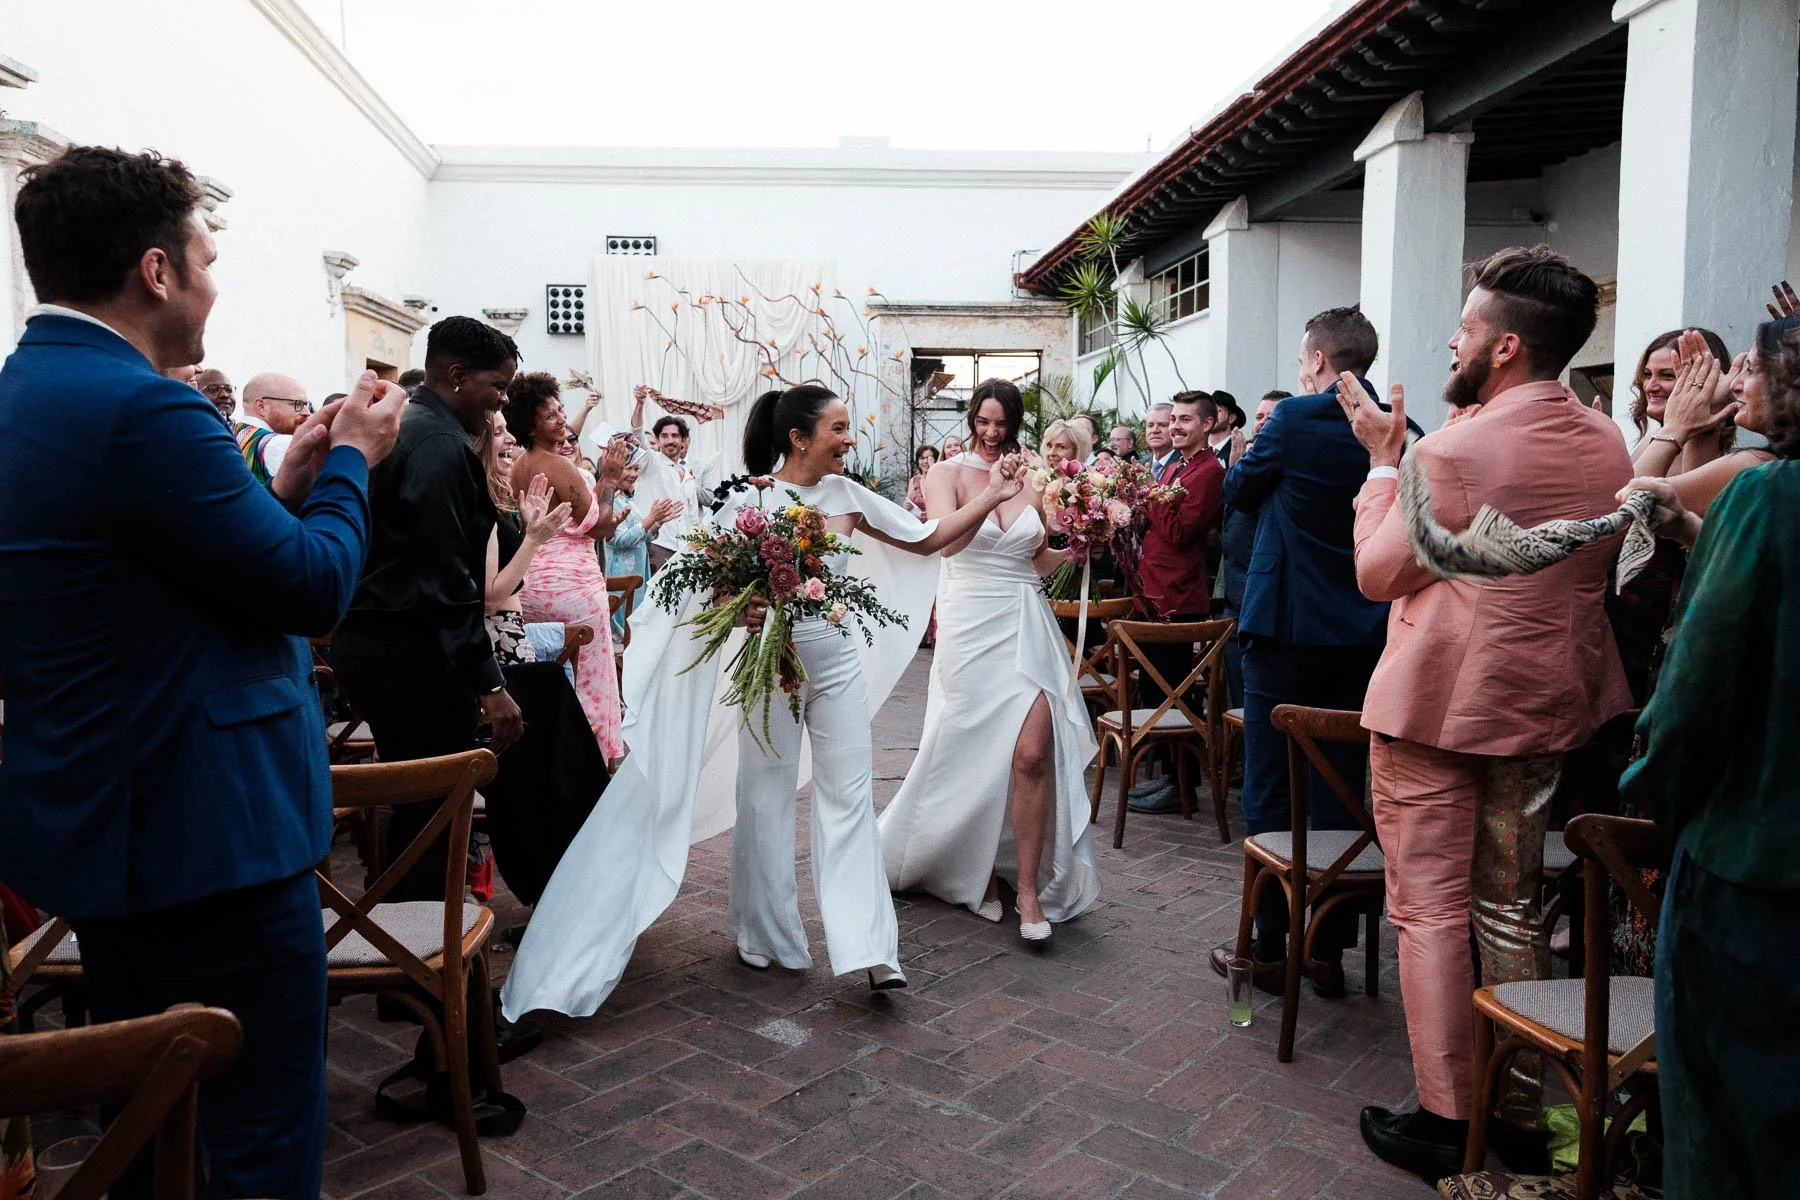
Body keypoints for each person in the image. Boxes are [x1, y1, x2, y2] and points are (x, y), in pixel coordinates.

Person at [0, 145, 404, 1200]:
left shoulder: (27, 392)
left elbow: (166, 588)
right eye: (207, 257)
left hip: (106, 830)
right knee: (259, 1139)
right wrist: (356, 459)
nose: (215, 281)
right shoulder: (146, 409)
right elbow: (313, 589)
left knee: (150, 1121)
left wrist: (289, 480)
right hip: (208, 834)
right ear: (157, 272)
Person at [501, 384, 1027, 1018]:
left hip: (833, 659)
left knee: (850, 793)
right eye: (838, 428)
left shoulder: (847, 496)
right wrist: (740, 606)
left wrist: (995, 495)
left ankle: (869, 947)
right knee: (767, 794)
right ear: (799, 438)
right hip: (768, 663)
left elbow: (925, 537)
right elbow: (696, 585)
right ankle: (764, 931)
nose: (849, 439)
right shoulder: (747, 499)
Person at [1341, 246, 1633, 1181]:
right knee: (1509, 906)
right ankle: (1520, 1101)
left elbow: (1377, 574)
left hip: (1438, 712)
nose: (1451, 341)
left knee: (1427, 910)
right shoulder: (1608, 439)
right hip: (1546, 706)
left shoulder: (1452, 451)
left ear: (1505, 346)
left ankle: (1445, 1116)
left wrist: (1385, 467)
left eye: (1465, 329)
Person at [1616, 316, 1800, 1200]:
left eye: (1750, 364)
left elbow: (1700, 680)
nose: (1734, 377)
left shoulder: (1768, 489)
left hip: (1751, 843)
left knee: (1732, 1101)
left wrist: (1661, 793)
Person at [1210, 308, 1410, 997]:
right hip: (1363, 631)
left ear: (1321, 361)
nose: (1300, 371)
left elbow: (1237, 494)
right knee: (1346, 785)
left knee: (1271, 781)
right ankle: (1328, 947)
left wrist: (1251, 451)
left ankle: (1269, 941)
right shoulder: (1398, 430)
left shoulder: (1292, 420)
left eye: (1303, 360)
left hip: (1288, 625)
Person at [880, 380, 1100, 941]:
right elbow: (948, 546)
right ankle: (960, 863)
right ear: (972, 417)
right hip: (968, 622)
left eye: (1002, 423)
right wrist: (994, 494)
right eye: (984, 420)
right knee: (966, 747)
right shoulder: (946, 474)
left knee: (1031, 754)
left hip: (1024, 620)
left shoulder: (1037, 478)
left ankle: (1028, 891)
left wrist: (1079, 545)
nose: (992, 432)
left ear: (1017, 423)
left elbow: (1034, 560)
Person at [332, 316, 527, 905]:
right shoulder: (438, 444)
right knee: (432, 806)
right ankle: (419, 964)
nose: (502, 403)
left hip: (384, 642)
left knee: (419, 804)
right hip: (409, 653)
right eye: (497, 386)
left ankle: (409, 945)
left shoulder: (412, 427)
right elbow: (446, 578)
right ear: (457, 374)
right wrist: (488, 683)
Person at [474, 411, 612, 910]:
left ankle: (563, 879)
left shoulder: (493, 493)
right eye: (497, 430)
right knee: (542, 771)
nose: (509, 437)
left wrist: (529, 530)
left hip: (510, 636)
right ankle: (563, 882)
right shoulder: (479, 501)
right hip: (498, 642)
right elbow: (492, 593)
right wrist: (532, 540)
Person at [504, 371, 630, 761]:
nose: (561, 419)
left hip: (533, 582)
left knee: (554, 675)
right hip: (572, 587)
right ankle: (591, 760)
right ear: (530, 424)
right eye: (550, 415)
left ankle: (555, 758)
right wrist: (609, 478)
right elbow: (599, 526)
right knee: (590, 675)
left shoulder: (518, 466)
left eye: (560, 410)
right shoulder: (558, 465)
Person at [1127, 390, 1225, 814]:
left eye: (1186, 420)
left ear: (1207, 424)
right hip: (1152, 591)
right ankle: (1167, 777)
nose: (1176, 427)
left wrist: (1149, 494)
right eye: (1174, 420)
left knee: (1174, 697)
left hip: (1178, 597)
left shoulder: (1207, 472)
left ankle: (1181, 786)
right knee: (1153, 693)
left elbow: (1182, 533)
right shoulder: (1177, 467)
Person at [605, 446, 682, 640]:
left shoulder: (627, 499)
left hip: (638, 572)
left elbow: (643, 536)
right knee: (624, 633)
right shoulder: (609, 500)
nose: (633, 474)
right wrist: (650, 518)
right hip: (620, 574)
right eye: (628, 468)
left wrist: (658, 522)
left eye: (636, 469)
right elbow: (620, 540)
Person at [232, 371, 309, 485]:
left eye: (307, 405)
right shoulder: (282, 445)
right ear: (261, 406)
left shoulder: (229, 434)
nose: (307, 413)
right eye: (297, 404)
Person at [1143, 401, 1178, 479]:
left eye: (1163, 425)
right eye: (1150, 425)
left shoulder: (1185, 464)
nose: (1155, 430)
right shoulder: (1138, 466)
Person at [905, 443, 939, 515]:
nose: (925, 461)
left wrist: (933, 468)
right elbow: (908, 502)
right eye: (922, 458)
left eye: (929, 458)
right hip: (918, 523)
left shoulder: (942, 479)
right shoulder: (914, 481)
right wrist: (907, 506)